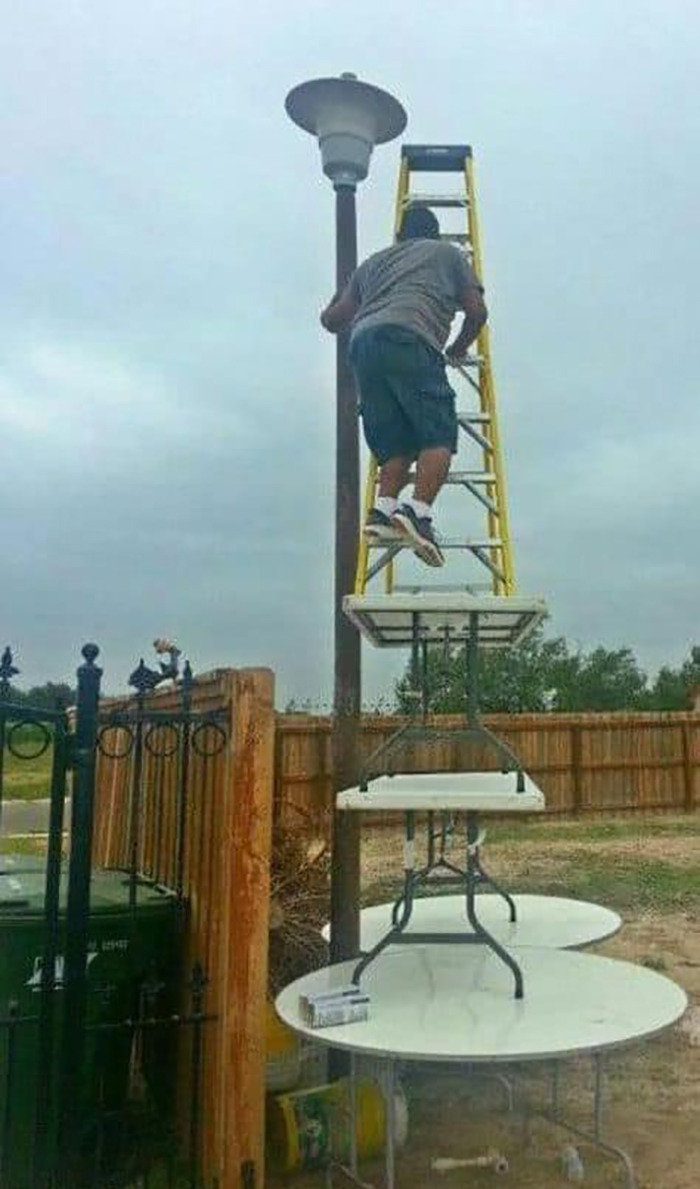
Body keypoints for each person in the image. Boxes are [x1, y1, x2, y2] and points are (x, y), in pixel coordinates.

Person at [320, 204, 488, 567]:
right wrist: (457, 349)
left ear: (399, 236)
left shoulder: (373, 264)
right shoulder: (447, 254)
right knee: (438, 435)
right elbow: (477, 312)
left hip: (363, 348)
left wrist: (343, 291)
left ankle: (382, 512)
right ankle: (417, 512)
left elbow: (332, 321)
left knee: (395, 442)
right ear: (435, 235)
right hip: (411, 338)